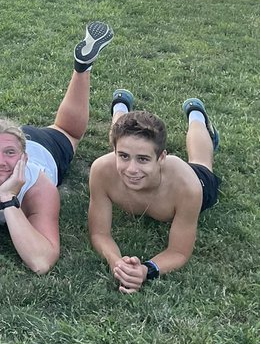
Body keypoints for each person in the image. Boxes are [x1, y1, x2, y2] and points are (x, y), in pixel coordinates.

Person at [0, 19, 114, 273]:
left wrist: (9, 198)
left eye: (10, 154)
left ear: (23, 158)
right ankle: (82, 68)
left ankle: (83, 67)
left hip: (41, 147)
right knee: (66, 132)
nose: (1, 162)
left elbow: (41, 261)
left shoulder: (39, 185)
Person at [87, 93, 220, 292]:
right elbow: (99, 233)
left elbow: (179, 252)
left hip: (194, 176)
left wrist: (146, 270)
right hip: (123, 154)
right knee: (121, 134)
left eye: (143, 159)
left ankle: (196, 116)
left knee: (201, 160)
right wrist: (118, 264)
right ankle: (120, 108)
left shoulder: (188, 187)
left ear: (161, 157)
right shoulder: (101, 170)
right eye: (123, 156)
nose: (131, 169)